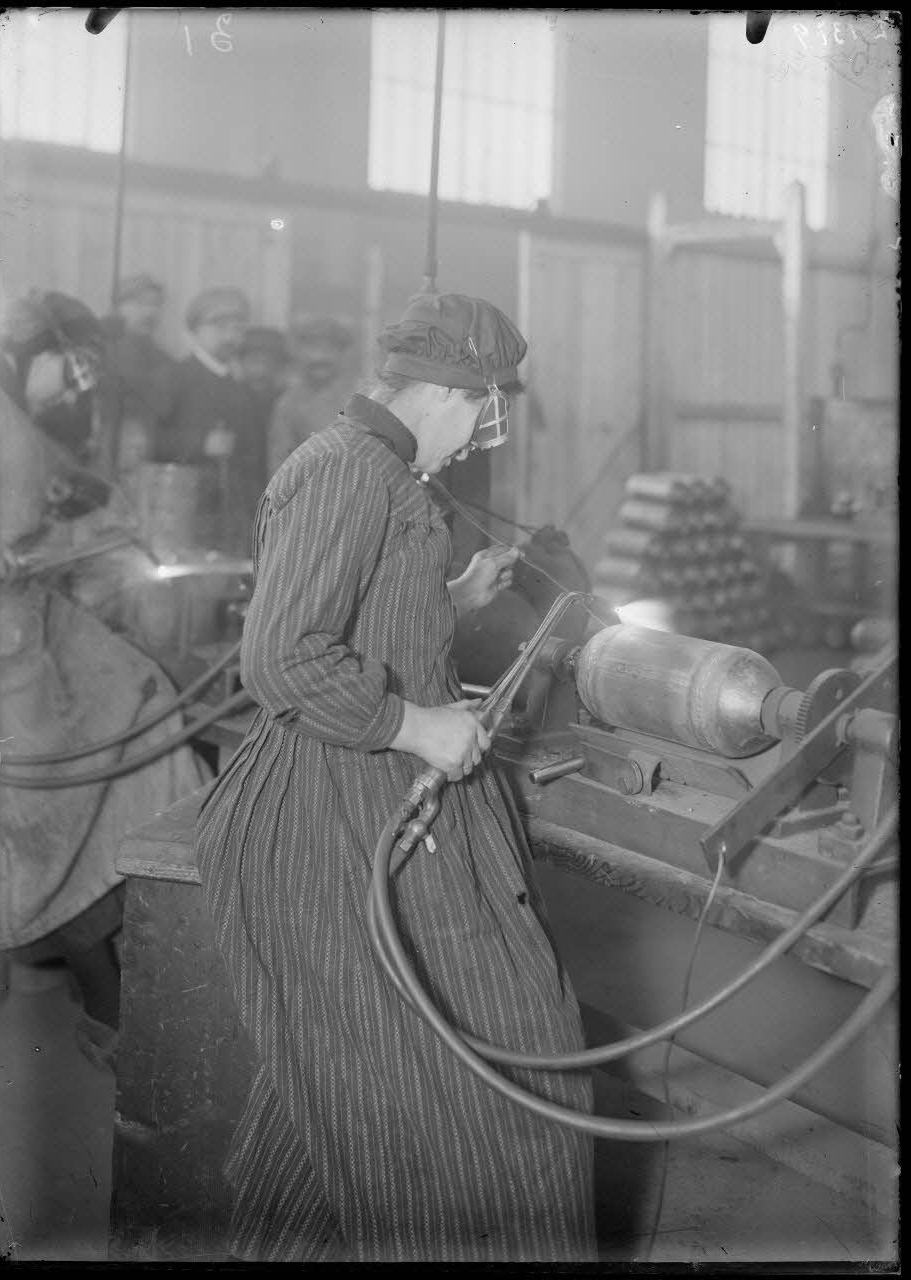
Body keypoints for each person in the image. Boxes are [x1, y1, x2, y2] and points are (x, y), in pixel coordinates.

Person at [194, 291, 596, 1263]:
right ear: (449, 394)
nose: (478, 437)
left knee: (341, 1089)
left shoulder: (381, 470)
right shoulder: (344, 473)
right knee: (506, 1065)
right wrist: (417, 723)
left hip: (367, 791)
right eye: (484, 410)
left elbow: (357, 619)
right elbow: (283, 657)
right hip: (331, 819)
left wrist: (449, 598)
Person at [0, 289, 208, 1072]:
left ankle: (110, 982)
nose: (78, 389)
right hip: (8, 641)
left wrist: (86, 504)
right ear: (35, 347)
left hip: (25, 617)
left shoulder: (14, 409)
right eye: (74, 369)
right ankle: (109, 997)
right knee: (87, 776)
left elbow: (43, 489)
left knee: (143, 698)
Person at [154, 286, 257, 551]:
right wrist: (200, 444)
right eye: (219, 327)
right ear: (195, 330)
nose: (230, 336)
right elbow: (151, 442)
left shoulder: (243, 389)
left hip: (231, 512)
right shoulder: (174, 378)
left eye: (237, 329)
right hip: (183, 507)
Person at [99, 273, 176, 487]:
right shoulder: (99, 350)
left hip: (146, 462)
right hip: (100, 456)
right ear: (118, 308)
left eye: (156, 305)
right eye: (140, 303)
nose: (150, 312)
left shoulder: (164, 361)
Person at [267, 313, 355, 476]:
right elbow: (278, 465)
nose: (319, 357)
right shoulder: (288, 404)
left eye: (328, 349)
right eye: (312, 349)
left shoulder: (362, 400)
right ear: (300, 354)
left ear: (342, 355)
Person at [236, 325, 290, 491]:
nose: (260, 367)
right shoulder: (229, 396)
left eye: (267, 360)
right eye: (253, 360)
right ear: (242, 362)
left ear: (278, 366)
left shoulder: (287, 402)